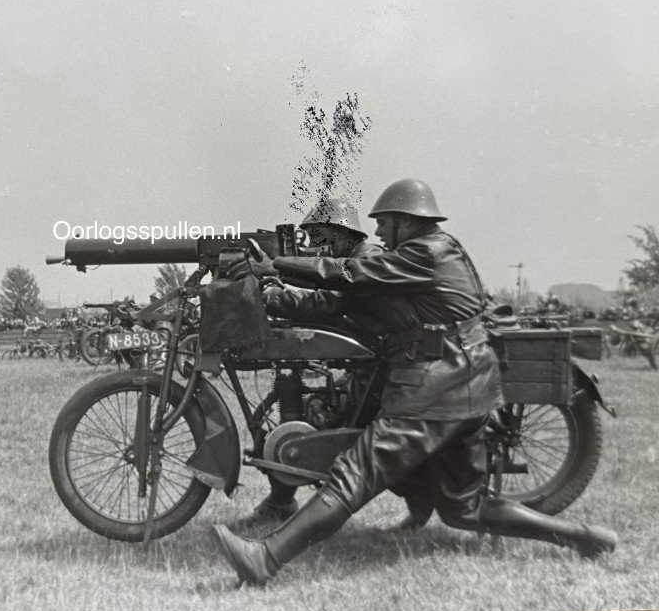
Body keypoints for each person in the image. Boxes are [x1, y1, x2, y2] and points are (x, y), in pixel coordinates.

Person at [213, 178, 617, 586]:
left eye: (385, 223)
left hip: (437, 382)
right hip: (467, 383)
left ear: (406, 221)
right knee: (464, 507)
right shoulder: (425, 251)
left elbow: (349, 273)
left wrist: (274, 267)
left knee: (354, 473)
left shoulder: (428, 252)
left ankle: (264, 559)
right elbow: (340, 293)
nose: (379, 232)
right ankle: (584, 539)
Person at [228, 198, 384, 530]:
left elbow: (325, 301)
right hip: (367, 368)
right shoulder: (353, 259)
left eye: (318, 237)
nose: (313, 246)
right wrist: (276, 284)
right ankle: (281, 499)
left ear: (340, 234)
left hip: (380, 373)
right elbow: (319, 288)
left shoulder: (365, 261)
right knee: (306, 408)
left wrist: (271, 294)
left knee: (319, 423)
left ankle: (284, 500)